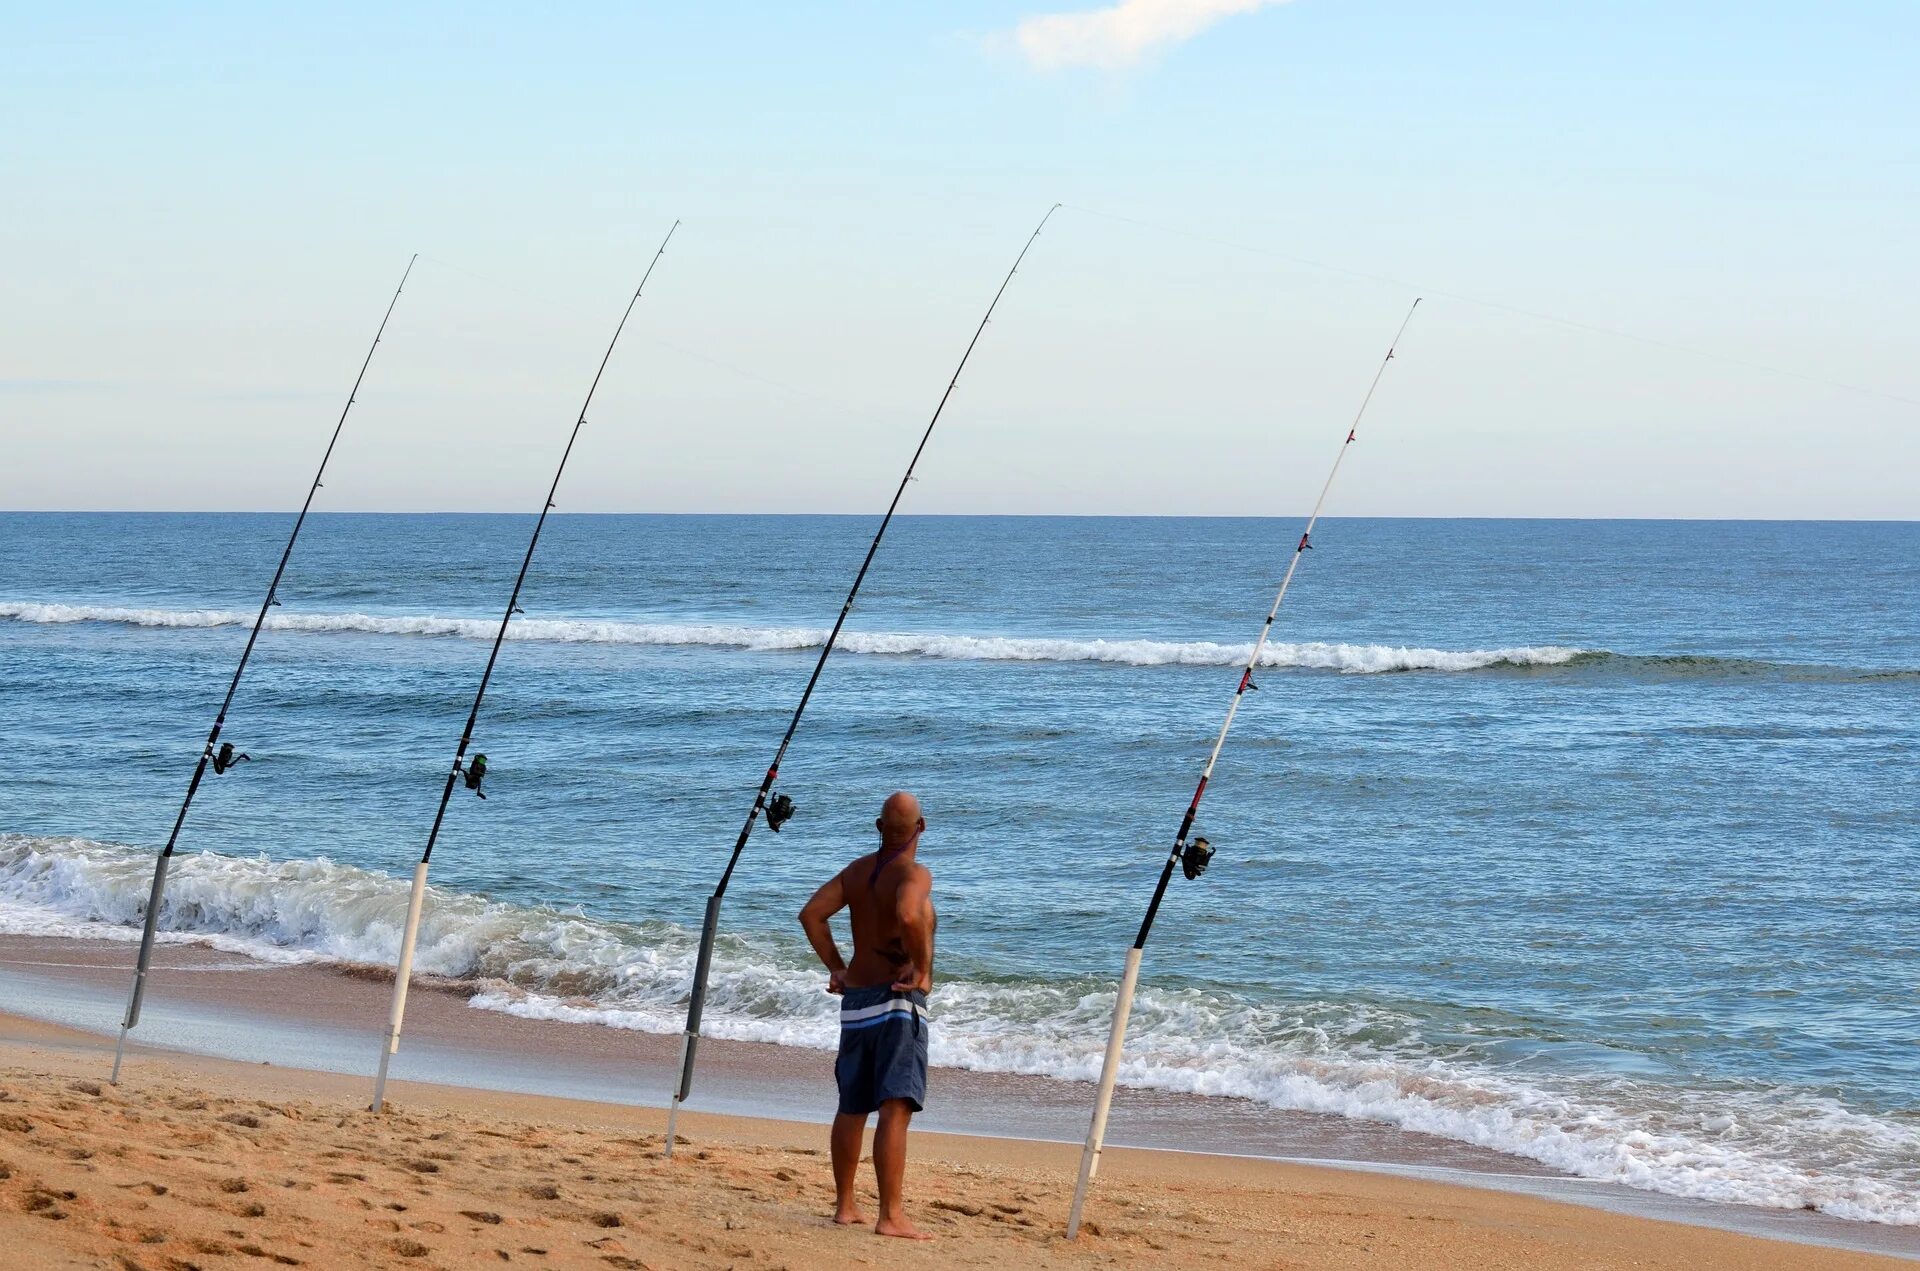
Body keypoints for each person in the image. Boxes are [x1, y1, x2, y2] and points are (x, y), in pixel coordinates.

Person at [797, 790, 937, 1240]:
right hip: (897, 1003)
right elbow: (909, 914)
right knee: (894, 1108)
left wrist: (837, 968)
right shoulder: (914, 873)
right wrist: (922, 968)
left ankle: (846, 1206)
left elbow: (811, 915)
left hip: (857, 1002)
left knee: (852, 1106)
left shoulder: (857, 872)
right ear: (922, 827)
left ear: (879, 828)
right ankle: (891, 1215)